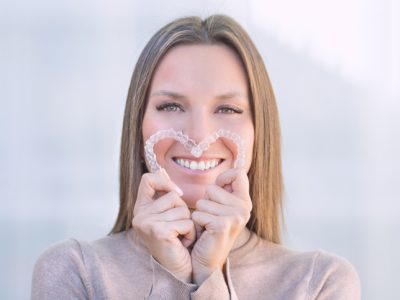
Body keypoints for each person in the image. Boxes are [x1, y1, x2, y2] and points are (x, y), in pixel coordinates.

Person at [31, 14, 361, 299]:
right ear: (139, 123)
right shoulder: (74, 272)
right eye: (171, 106)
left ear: (260, 131)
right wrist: (170, 273)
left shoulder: (321, 283)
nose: (198, 136)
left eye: (227, 108)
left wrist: (207, 276)